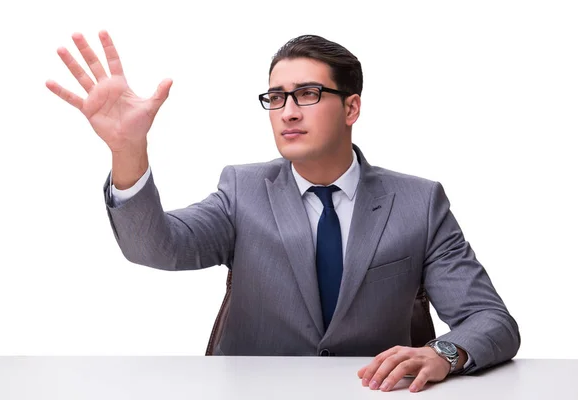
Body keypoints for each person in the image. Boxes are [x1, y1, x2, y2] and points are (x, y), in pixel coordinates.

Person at [46, 30, 520, 393]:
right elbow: (157, 247)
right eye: (276, 98)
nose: (288, 111)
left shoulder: (419, 202)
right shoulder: (242, 190)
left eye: (308, 94)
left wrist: (444, 354)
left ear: (351, 107)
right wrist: (130, 151)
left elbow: (491, 320)